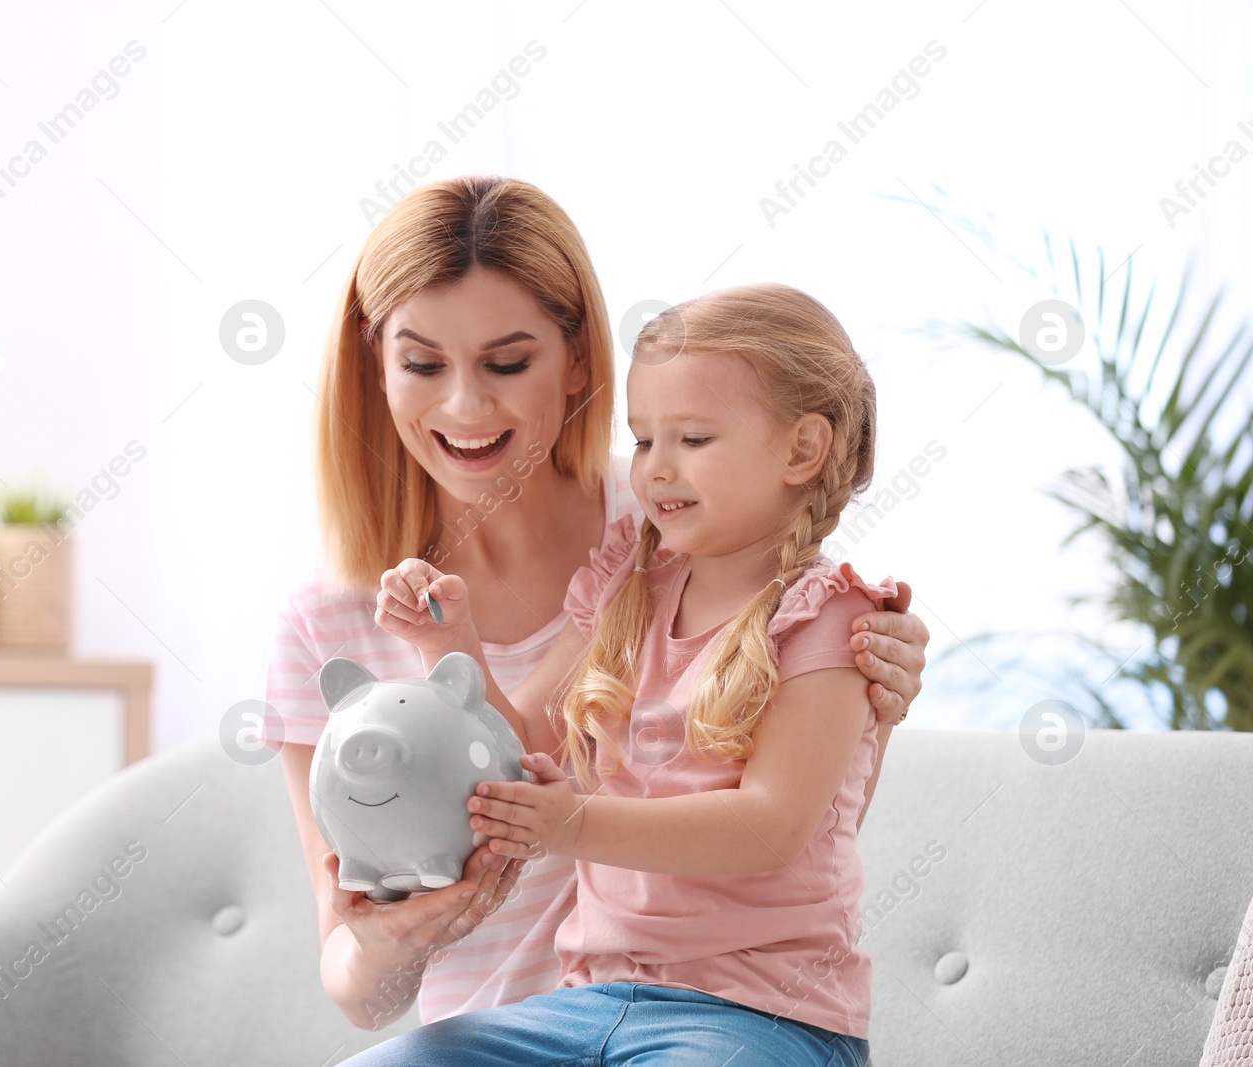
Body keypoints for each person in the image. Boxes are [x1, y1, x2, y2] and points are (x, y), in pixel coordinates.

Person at [260, 177, 930, 1033]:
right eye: (423, 363)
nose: (466, 405)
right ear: (375, 362)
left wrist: (867, 684)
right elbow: (358, 991)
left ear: (579, 357)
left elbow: (793, 827)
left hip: (720, 1019)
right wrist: (397, 936)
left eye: (508, 362)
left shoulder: (670, 532)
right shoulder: (329, 620)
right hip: (516, 1032)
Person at [349, 282, 888, 1065]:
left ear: (802, 449)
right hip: (588, 1004)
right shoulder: (626, 585)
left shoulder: (828, 616)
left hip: (765, 1016)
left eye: (693, 440)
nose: (656, 471)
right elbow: (523, 736)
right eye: (643, 440)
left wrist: (574, 825)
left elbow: (773, 824)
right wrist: (447, 642)